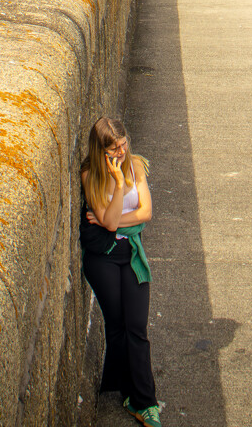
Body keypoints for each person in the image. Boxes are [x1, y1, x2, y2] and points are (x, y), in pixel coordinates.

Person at [80, 117, 161, 427]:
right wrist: (116, 186)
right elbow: (113, 221)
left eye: (124, 144)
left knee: (136, 326)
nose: (122, 152)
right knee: (116, 325)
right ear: (101, 150)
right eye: (114, 148)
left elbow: (145, 213)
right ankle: (126, 390)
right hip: (102, 259)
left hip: (131, 254)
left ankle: (145, 401)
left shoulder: (135, 165)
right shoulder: (91, 175)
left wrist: (107, 220)